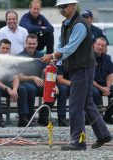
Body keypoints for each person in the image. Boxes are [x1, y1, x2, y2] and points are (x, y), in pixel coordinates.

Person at [41, 0, 112, 150]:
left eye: (64, 6)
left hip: (83, 67)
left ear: (73, 6)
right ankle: (103, 134)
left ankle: (78, 141)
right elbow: (62, 44)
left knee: (75, 104)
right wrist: (54, 56)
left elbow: (71, 47)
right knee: (86, 102)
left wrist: (53, 55)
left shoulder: (80, 24)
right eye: (59, 7)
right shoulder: (66, 24)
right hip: (79, 67)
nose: (61, 9)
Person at [0, 39, 29, 127]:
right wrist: (7, 89)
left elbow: (16, 77)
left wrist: (15, 89)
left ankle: (23, 118)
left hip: (9, 85)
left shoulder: (13, 60)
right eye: (3, 48)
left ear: (10, 49)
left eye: (7, 49)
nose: (5, 50)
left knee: (22, 89)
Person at [17, 33, 52, 126]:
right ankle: (26, 118)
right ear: (26, 43)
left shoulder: (41, 55)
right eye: (29, 43)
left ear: (37, 44)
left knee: (52, 90)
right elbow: (18, 77)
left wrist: (52, 84)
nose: (31, 46)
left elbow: (46, 70)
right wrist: (33, 77)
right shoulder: (20, 56)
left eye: (33, 44)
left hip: (38, 83)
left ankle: (43, 117)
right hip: (24, 83)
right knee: (31, 89)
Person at [92, 37, 113, 124]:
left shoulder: (107, 58)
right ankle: (97, 119)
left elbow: (110, 74)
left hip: (103, 85)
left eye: (103, 45)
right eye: (98, 44)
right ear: (94, 45)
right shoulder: (88, 58)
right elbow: (88, 78)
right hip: (91, 85)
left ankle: (107, 116)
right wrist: (102, 89)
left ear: (105, 47)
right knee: (95, 93)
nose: (100, 47)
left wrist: (107, 88)